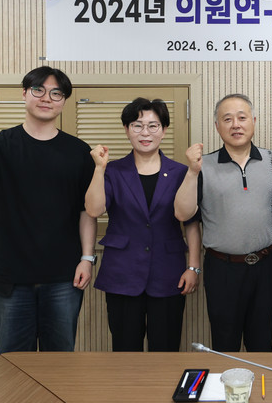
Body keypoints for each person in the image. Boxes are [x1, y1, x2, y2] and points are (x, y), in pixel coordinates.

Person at [0, 66, 96, 354]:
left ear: (64, 101)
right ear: (24, 94)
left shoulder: (80, 152)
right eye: (38, 90)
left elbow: (87, 211)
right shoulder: (0, 143)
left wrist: (87, 258)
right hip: (10, 274)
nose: (47, 98)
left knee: (60, 360)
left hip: (64, 276)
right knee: (12, 362)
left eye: (56, 93)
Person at [174, 93, 272, 352]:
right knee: (224, 344)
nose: (236, 125)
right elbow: (184, 216)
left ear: (254, 121)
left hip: (265, 265)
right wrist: (192, 171)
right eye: (227, 119)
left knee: (261, 343)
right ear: (217, 126)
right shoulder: (203, 165)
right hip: (221, 268)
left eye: (242, 118)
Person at [85, 98, 201, 352]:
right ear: (127, 130)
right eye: (137, 126)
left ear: (164, 130)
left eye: (153, 126)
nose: (145, 133)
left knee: (166, 348)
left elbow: (190, 222)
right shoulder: (112, 171)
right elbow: (93, 210)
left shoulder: (182, 172)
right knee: (125, 349)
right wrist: (99, 169)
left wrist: (193, 267)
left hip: (168, 272)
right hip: (122, 273)